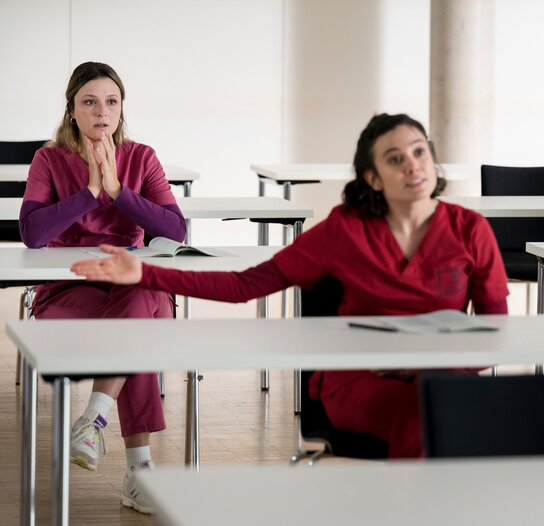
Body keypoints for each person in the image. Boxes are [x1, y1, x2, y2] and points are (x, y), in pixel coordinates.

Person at [71, 113, 510, 459]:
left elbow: (494, 337)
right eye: (396, 159)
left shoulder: (470, 230)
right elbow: (244, 285)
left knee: (454, 406)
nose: (413, 165)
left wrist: (430, 368)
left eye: (420, 152)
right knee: (427, 412)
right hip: (359, 381)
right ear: (373, 178)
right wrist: (146, 274)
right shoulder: (345, 230)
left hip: (441, 377)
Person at [21, 61, 186, 513]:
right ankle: (140, 471)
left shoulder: (141, 157)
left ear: (121, 108)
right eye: (90, 102)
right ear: (72, 109)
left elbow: (175, 231)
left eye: (111, 102)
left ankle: (94, 418)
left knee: (140, 297)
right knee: (138, 326)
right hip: (69, 289)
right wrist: (91, 192)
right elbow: (32, 234)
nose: (102, 112)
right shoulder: (49, 159)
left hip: (131, 287)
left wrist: (117, 189)